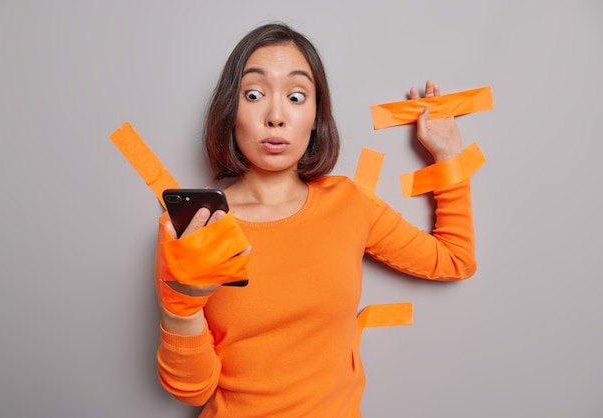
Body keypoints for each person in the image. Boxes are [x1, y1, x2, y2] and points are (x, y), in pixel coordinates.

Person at [154, 22, 477, 417]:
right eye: (253, 94)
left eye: (295, 96)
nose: (276, 116)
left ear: (315, 116)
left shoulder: (348, 203)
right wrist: (181, 307)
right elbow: (192, 391)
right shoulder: (196, 229)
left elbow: (455, 259)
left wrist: (448, 159)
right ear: (230, 111)